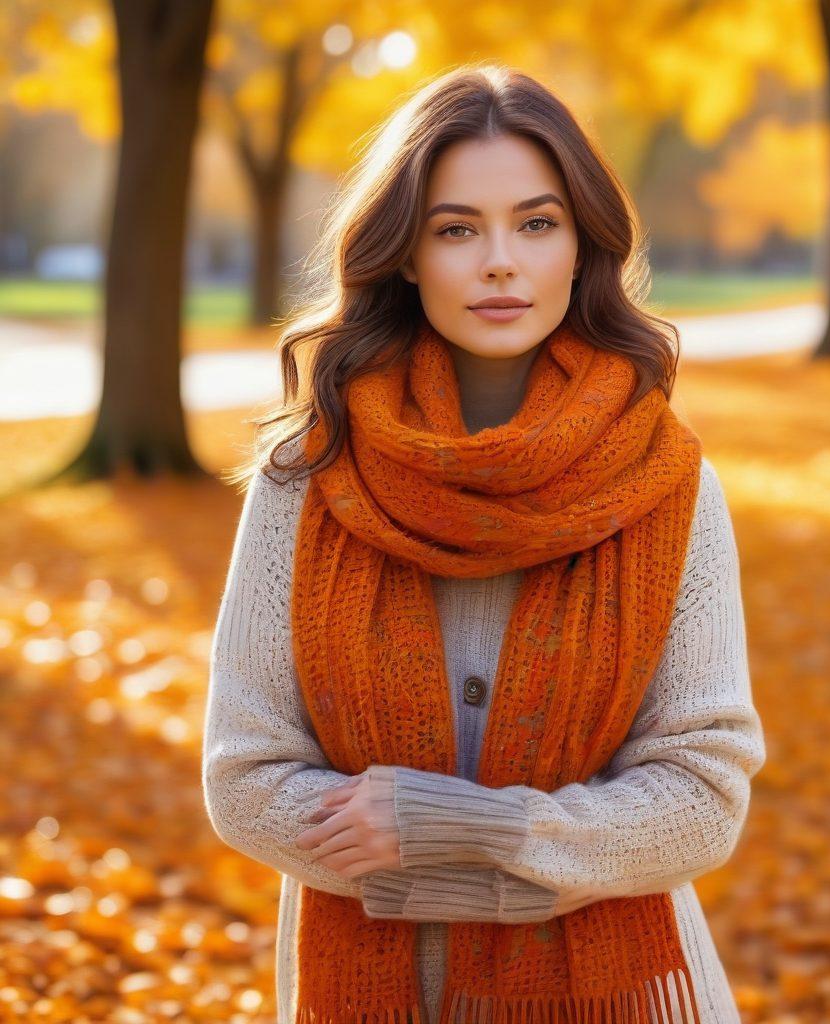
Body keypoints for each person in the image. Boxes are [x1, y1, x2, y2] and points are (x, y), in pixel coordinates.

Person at [202, 63, 767, 1024]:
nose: (499, 261)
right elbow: (244, 777)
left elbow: (701, 795)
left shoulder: (667, 486)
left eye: (536, 224)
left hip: (621, 998)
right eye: (456, 228)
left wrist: (462, 833)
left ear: (581, 247)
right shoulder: (306, 481)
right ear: (407, 254)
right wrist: (531, 865)